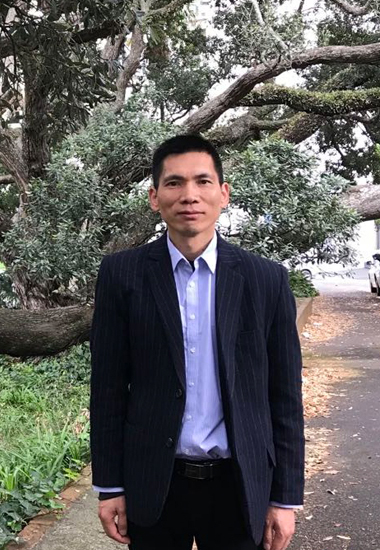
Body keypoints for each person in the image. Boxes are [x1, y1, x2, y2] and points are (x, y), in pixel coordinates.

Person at [90, 134, 304, 550]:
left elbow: (284, 397)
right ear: (154, 197)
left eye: (203, 181)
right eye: (174, 182)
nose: (189, 195)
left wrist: (285, 497)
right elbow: (108, 388)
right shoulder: (122, 275)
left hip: (239, 485)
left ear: (223, 194)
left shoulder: (266, 280)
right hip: (153, 481)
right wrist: (110, 486)